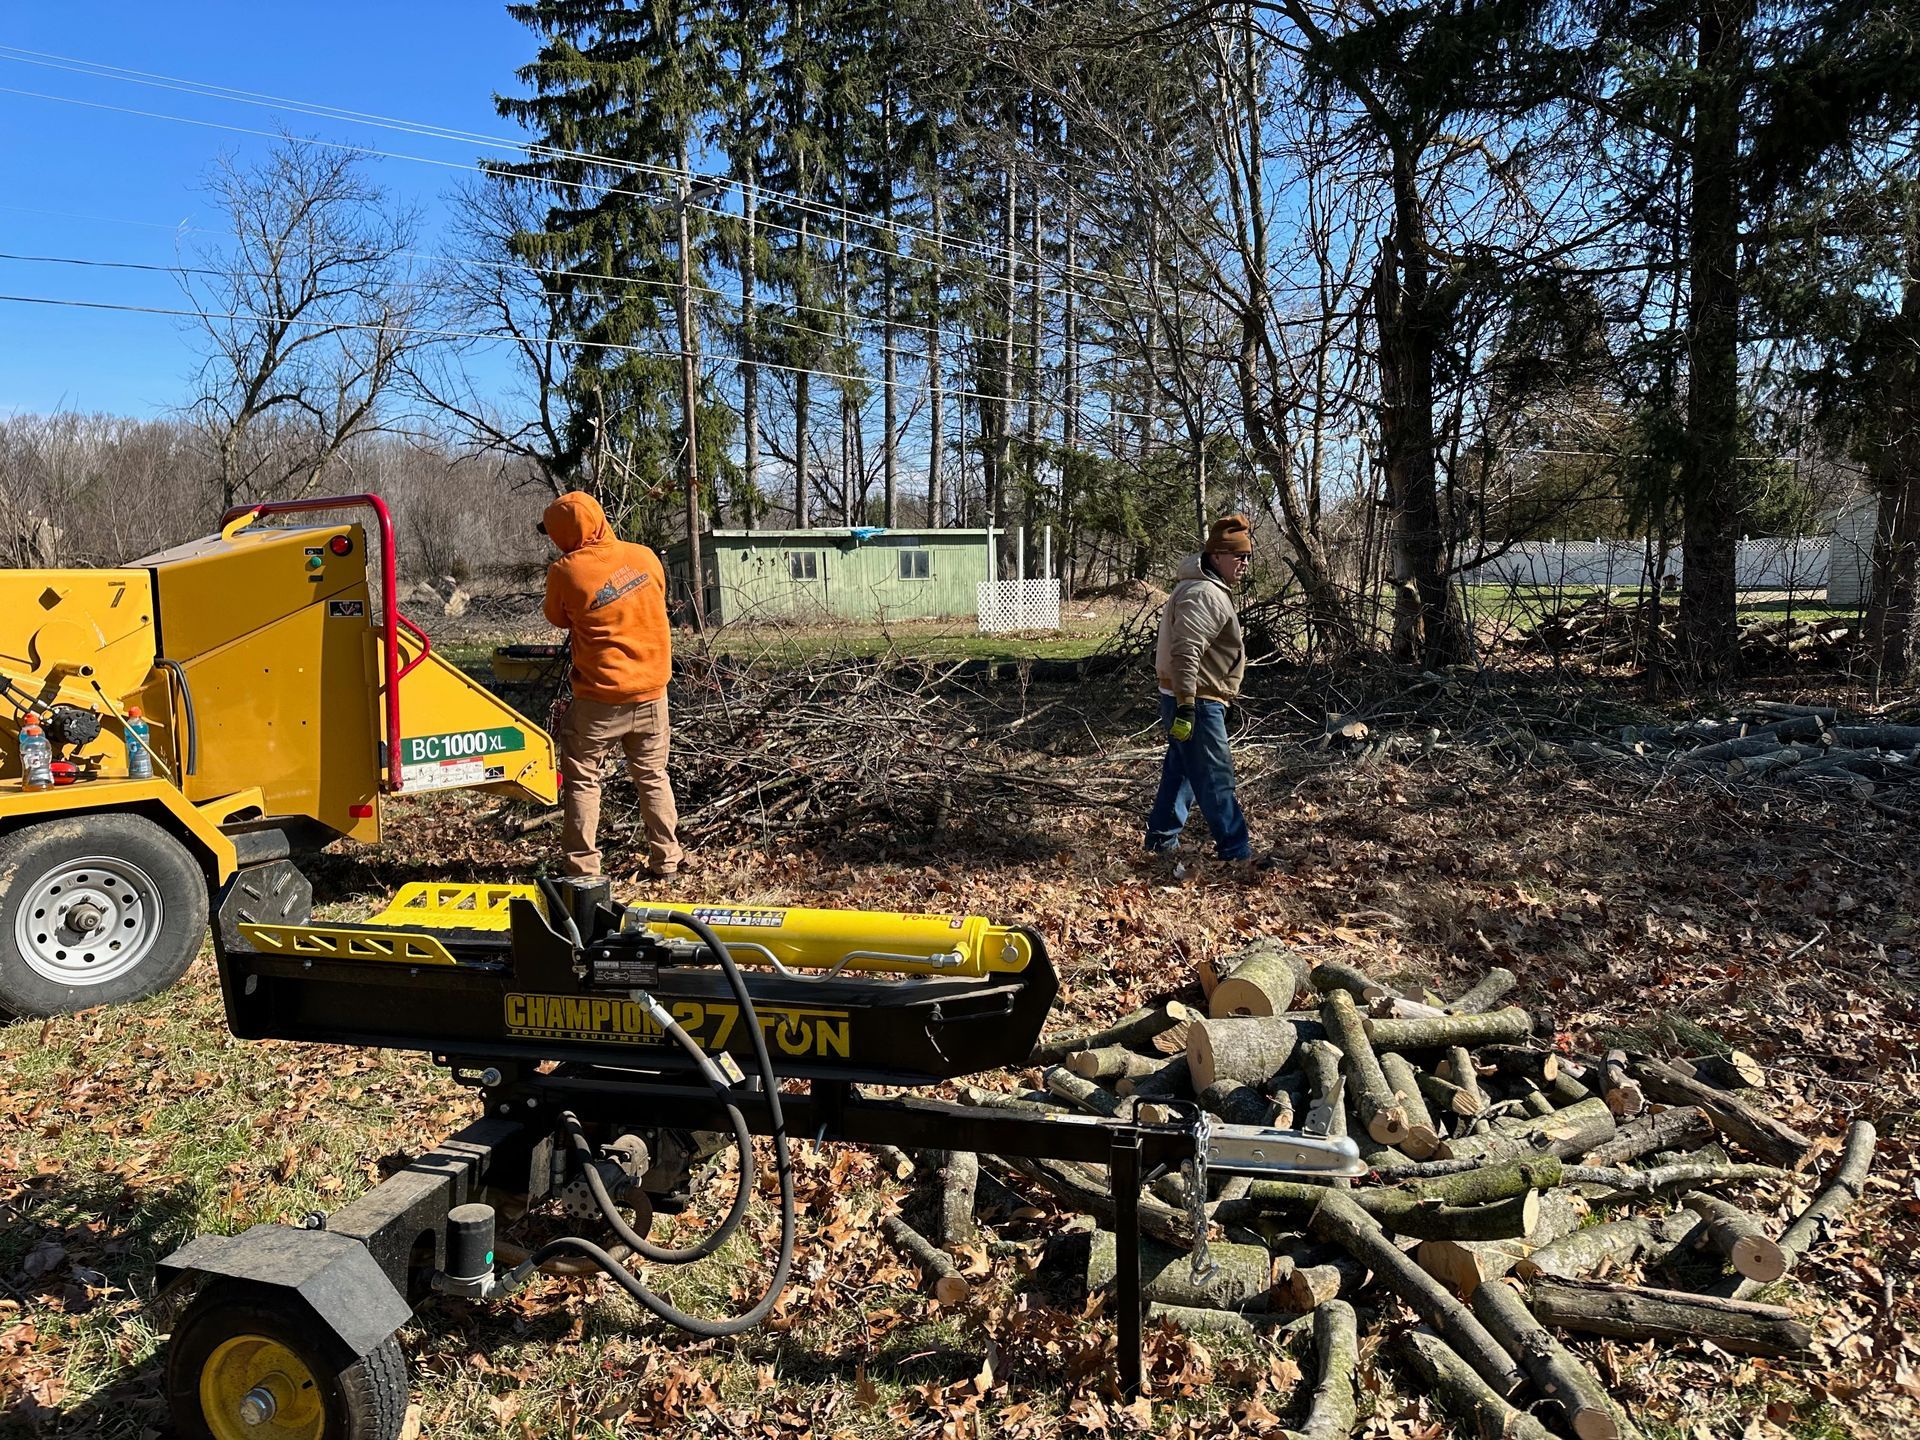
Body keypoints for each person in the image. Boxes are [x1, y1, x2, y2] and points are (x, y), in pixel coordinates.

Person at [539, 491, 684, 879]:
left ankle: (582, 868)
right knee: (653, 775)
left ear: (564, 534)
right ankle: (667, 858)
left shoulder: (565, 571)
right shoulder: (646, 556)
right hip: (653, 692)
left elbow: (557, 618)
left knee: (584, 778)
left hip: (599, 698)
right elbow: (657, 599)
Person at [1144, 513, 1264, 879]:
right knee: (1215, 775)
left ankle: (1161, 839)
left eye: (1247, 556)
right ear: (1216, 556)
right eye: (1237, 556)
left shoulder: (1203, 587)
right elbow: (1185, 652)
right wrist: (1185, 705)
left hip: (1190, 696)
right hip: (1197, 700)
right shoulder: (1204, 594)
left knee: (1181, 771)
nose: (1244, 563)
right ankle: (1236, 849)